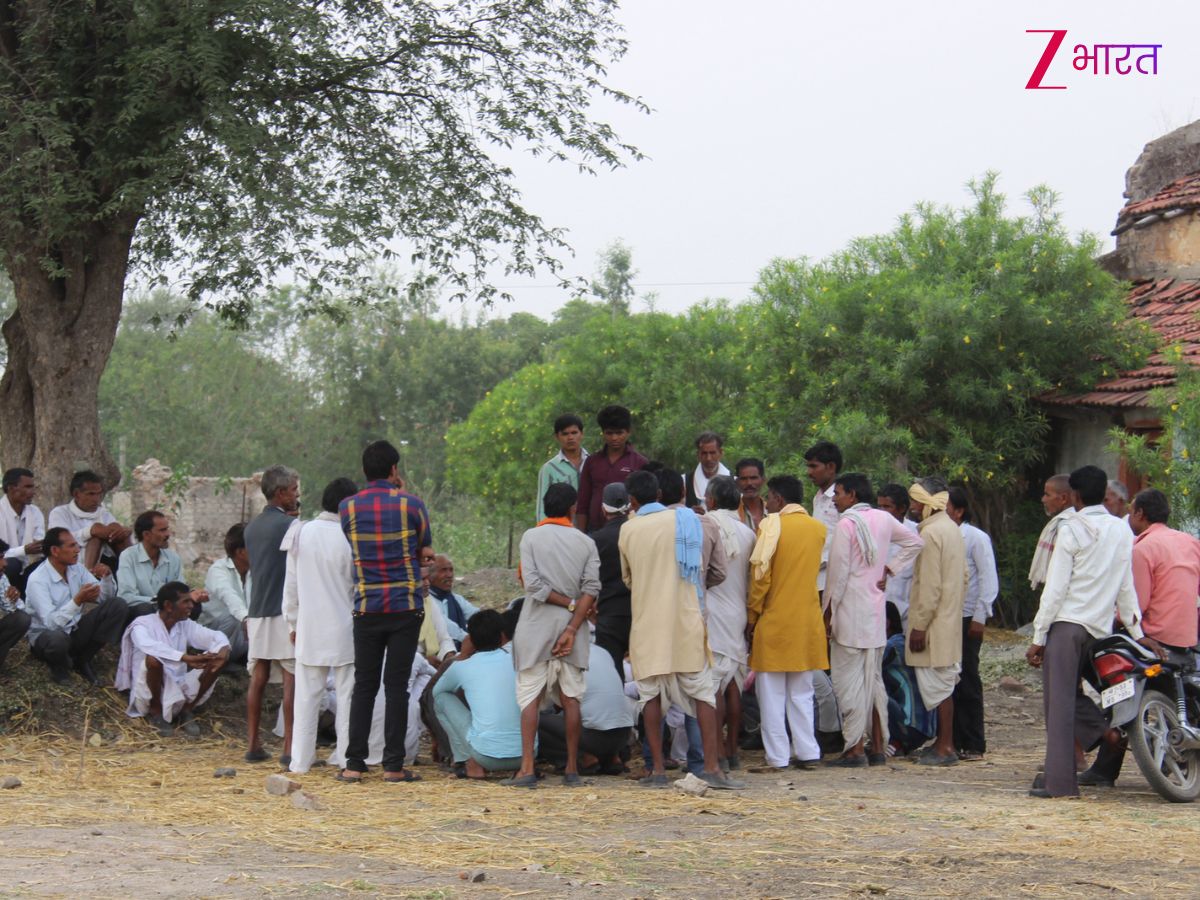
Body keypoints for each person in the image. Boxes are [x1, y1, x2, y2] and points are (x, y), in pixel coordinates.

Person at [1025, 465, 1145, 799]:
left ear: (1075, 496)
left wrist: (1038, 636)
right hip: (1099, 628)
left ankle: (1060, 784)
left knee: (1058, 703)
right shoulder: (1121, 530)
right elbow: (1125, 586)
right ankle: (1098, 733)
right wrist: (1136, 630)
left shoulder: (1072, 527)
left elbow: (1056, 588)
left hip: (1067, 624)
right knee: (1073, 697)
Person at [619, 469, 737, 789]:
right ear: (659, 495)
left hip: (647, 624)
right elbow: (708, 570)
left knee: (651, 697)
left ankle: (657, 769)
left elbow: (629, 580)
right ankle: (711, 767)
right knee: (703, 695)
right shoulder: (689, 521)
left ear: (631, 500)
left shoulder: (629, 530)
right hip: (686, 619)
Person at [1079, 488, 1199, 787]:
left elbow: (1135, 607)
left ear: (1140, 514)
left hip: (1153, 638)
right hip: (1186, 637)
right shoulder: (1190, 542)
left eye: (1131, 511)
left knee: (1096, 664)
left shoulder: (1141, 549)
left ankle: (1105, 751)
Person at [339, 440, 431, 784]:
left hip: (367, 606)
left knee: (364, 684)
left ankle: (354, 764)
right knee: (396, 686)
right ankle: (393, 766)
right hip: (405, 606)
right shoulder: (413, 505)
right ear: (394, 470)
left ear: (364, 471)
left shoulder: (347, 508)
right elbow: (424, 550)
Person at [824, 473, 923, 766]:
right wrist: (889, 569)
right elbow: (915, 542)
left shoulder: (846, 524)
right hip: (875, 612)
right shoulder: (883, 518)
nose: (835, 499)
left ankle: (854, 749)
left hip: (850, 613)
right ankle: (877, 747)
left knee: (848, 683)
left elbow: (838, 575)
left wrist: (827, 613)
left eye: (838, 493)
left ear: (852, 495)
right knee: (872, 681)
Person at [509, 482, 600, 787]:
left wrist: (566, 601)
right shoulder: (585, 542)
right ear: (573, 508)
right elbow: (592, 589)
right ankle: (572, 769)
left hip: (535, 628)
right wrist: (573, 622)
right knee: (571, 698)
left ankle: (527, 769)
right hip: (574, 629)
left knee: (530, 699)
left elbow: (532, 586)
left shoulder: (531, 537)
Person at [747, 475, 828, 770]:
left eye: (769, 497)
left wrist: (752, 614)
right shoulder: (818, 529)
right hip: (807, 621)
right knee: (802, 694)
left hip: (775, 621)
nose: (766, 502)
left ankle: (778, 757)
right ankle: (808, 752)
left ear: (779, 499)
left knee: (771, 695)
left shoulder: (770, 526)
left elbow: (760, 577)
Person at [282, 477, 358, 774]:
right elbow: (356, 586)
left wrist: (292, 621)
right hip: (345, 629)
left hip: (309, 628)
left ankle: (300, 761)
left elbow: (290, 585)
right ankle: (344, 756)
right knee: (347, 697)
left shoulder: (300, 532)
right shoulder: (351, 537)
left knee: (306, 697)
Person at [905, 476, 967, 767]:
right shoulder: (950, 529)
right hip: (948, 620)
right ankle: (945, 743)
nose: (912, 506)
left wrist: (919, 625)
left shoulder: (931, 534)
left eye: (916, 500)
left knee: (940, 687)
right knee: (944, 684)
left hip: (933, 624)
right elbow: (962, 578)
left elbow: (929, 586)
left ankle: (944, 746)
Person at [114, 581, 229, 736]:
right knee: (153, 660)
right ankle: (156, 712)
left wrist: (223, 648)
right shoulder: (141, 625)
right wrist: (184, 658)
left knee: (221, 655)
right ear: (168, 605)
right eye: (185, 602)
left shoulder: (185, 624)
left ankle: (187, 710)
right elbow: (148, 645)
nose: (191, 605)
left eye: (191, 601)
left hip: (179, 689)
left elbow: (214, 636)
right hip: (147, 693)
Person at [244, 464, 300, 765]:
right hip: (283, 610)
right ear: (280, 493)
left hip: (257, 609)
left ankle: (253, 743)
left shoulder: (251, 527)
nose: (297, 495)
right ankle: (289, 747)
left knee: (259, 676)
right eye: (293, 490)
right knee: (292, 677)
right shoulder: (292, 527)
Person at [25, 528, 129, 684]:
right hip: (46, 637)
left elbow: (104, 599)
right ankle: (59, 667)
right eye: (71, 546)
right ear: (55, 550)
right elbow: (51, 624)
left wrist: (106, 578)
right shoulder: (37, 580)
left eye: (77, 545)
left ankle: (84, 659)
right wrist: (77, 601)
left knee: (117, 605)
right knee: (57, 639)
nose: (77, 550)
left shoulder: (77, 569)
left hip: (74, 630)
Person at [703, 475, 756, 769]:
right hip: (738, 610)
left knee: (714, 686)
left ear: (710, 500)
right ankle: (732, 750)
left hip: (713, 611)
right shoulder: (747, 532)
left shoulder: (706, 526)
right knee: (734, 680)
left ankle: (718, 753)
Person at [432, 609, 524, 778]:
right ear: (503, 636)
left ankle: (469, 763)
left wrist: (463, 655)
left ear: (471, 639)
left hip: (486, 757)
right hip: (527, 755)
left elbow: (437, 692)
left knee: (441, 699)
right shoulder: (518, 660)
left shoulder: (463, 666)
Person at [945, 487, 998, 762]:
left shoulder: (976, 538)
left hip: (968, 616)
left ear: (958, 510)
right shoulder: (941, 534)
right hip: (948, 616)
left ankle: (974, 742)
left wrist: (980, 616)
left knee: (968, 678)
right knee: (948, 678)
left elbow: (988, 579)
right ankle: (951, 739)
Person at [538, 637, 636, 774]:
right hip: (624, 736)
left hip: (594, 738)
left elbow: (543, 705)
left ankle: (583, 757)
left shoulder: (560, 654)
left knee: (535, 721)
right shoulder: (602, 652)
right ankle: (613, 758)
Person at [575, 405, 647, 533]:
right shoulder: (592, 462)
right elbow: (582, 504)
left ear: (628, 432)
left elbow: (645, 503)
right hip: (594, 531)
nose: (614, 438)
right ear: (603, 432)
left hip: (628, 530)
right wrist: (581, 535)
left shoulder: (639, 462)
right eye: (609, 433)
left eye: (619, 433)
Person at [47, 470, 132, 570]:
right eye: (91, 494)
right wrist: (90, 531)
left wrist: (122, 531)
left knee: (119, 532)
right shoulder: (60, 513)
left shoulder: (104, 514)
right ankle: (88, 576)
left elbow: (114, 533)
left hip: (107, 562)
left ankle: (131, 574)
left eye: (99, 494)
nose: (96, 499)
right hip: (72, 564)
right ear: (76, 494)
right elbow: (60, 542)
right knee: (95, 537)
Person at [590, 483, 631, 677]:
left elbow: (589, 580)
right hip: (640, 613)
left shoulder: (596, 540)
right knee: (647, 680)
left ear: (603, 509)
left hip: (608, 615)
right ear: (630, 506)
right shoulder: (638, 533)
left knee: (613, 675)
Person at [117, 510, 184, 623]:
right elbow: (127, 596)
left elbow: (180, 591)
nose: (168, 534)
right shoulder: (128, 556)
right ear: (146, 535)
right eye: (162, 530)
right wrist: (156, 601)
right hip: (140, 612)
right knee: (146, 609)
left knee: (193, 608)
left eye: (167, 529)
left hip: (167, 609)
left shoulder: (173, 558)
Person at [200, 523, 251, 665]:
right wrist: (246, 618)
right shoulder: (218, 570)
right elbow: (228, 595)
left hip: (242, 634)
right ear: (241, 552)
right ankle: (217, 660)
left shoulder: (256, 571)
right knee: (233, 617)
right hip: (214, 632)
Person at [877, 483, 921, 625]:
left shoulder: (918, 533)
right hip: (877, 613)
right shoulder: (872, 532)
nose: (882, 512)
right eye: (880, 506)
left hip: (907, 615)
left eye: (887, 507)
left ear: (902, 508)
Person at [804, 441, 842, 592]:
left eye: (814, 466)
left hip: (834, 579)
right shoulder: (818, 498)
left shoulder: (843, 498)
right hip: (816, 578)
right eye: (808, 466)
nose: (809, 472)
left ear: (831, 467)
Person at [536, 414, 588, 522]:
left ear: (582, 434)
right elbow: (542, 507)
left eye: (574, 433)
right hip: (562, 530)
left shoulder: (592, 462)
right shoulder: (549, 469)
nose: (570, 438)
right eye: (565, 434)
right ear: (557, 436)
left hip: (592, 531)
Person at [0, 467, 45, 591]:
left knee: (48, 564)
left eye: (32, 487)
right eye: (27, 487)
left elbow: (39, 541)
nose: (33, 492)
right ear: (10, 488)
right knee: (12, 564)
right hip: (4, 569)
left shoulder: (35, 512)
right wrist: (24, 550)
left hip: (27, 565)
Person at [1028, 474, 1073, 592]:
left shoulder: (1067, 527)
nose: (1043, 499)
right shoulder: (1058, 524)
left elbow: (1059, 577)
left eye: (1047, 495)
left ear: (1063, 498)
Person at [427, 554, 478, 646]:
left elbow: (477, 615)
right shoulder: (426, 601)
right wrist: (470, 640)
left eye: (451, 570)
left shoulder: (456, 599)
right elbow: (446, 626)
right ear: (430, 575)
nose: (449, 575)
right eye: (443, 570)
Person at [684, 431, 729, 513]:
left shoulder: (734, 481)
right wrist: (688, 512)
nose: (708, 458)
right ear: (698, 454)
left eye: (712, 453)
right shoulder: (684, 481)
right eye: (704, 453)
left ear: (721, 453)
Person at [0, 572, 32, 675]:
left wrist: (15, 598)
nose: (5, 563)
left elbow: (13, 608)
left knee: (21, 619)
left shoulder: (1, 576)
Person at [734, 458, 767, 532]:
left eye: (753, 478)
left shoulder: (773, 512)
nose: (749, 483)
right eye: (743, 479)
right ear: (737, 482)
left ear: (763, 480)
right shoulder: (732, 513)